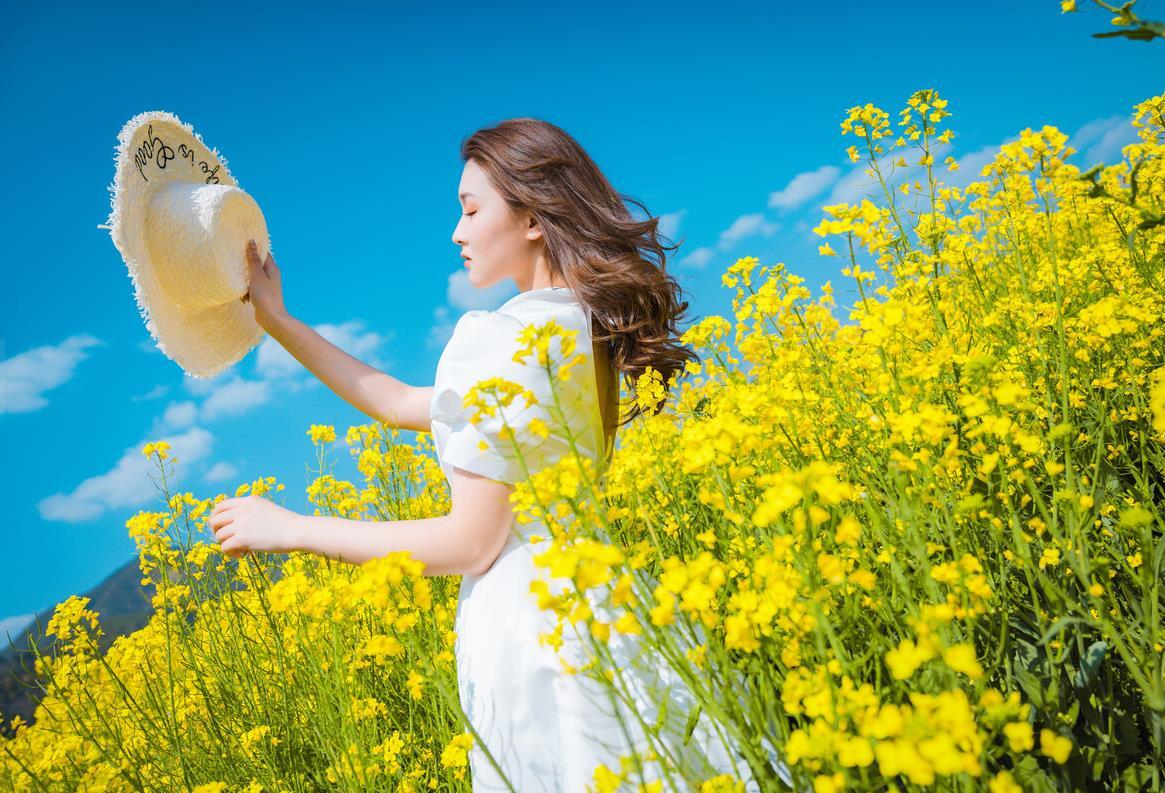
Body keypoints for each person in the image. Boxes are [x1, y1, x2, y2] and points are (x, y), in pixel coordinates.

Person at [210, 118, 759, 791]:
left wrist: (290, 528)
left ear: (531, 215)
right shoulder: (583, 332)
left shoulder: (496, 338)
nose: (456, 232)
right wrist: (279, 320)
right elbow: (398, 402)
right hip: (608, 611)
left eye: (472, 209)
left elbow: (472, 541)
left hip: (532, 637)